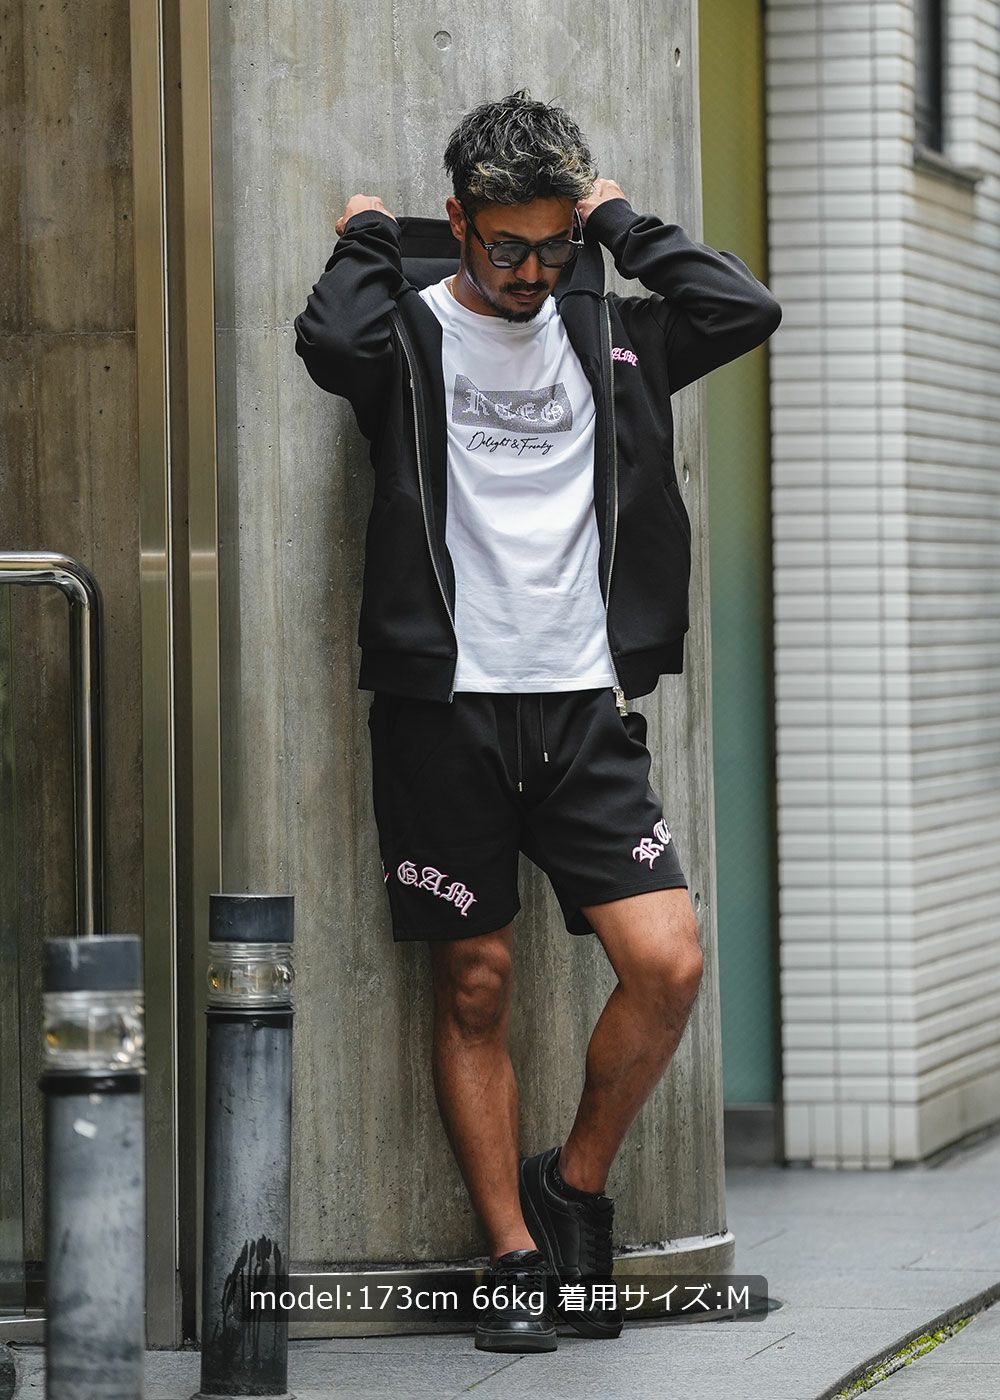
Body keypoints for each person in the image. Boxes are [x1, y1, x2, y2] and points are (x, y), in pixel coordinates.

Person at [294, 89, 781, 1354]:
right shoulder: (406, 336)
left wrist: (619, 223)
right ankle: (513, 1252)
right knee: (476, 980)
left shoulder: (612, 331)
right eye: (505, 245)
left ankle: (572, 1182)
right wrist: (367, 237)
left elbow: (741, 308)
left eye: (552, 245)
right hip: (442, 709)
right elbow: (327, 342)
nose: (529, 272)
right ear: (457, 220)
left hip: (581, 707)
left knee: (666, 960)